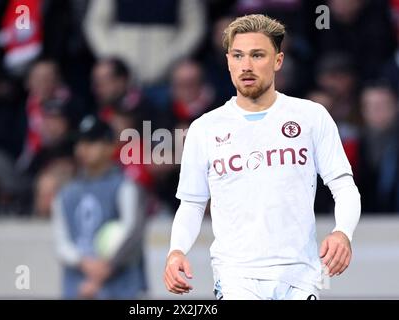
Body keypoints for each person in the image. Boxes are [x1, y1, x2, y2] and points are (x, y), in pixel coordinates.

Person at [164, 14, 361, 300]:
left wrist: (343, 232)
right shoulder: (205, 128)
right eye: (238, 56)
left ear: (278, 61)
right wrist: (176, 251)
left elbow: (344, 187)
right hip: (236, 277)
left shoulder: (311, 116)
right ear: (228, 61)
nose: (246, 66)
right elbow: (192, 204)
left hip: (300, 276)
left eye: (257, 55)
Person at [52, 115, 147, 299]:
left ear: (110, 146)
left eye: (92, 141)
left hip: (121, 289)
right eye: (80, 142)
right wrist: (85, 263)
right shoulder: (65, 193)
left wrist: (101, 272)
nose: (83, 148)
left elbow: (133, 232)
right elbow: (61, 243)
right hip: (77, 287)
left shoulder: (125, 186)